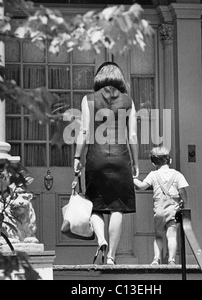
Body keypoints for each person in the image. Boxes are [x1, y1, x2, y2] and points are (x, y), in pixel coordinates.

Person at [73, 62, 139, 265]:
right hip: (120, 159)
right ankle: (111, 256)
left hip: (96, 159)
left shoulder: (88, 99)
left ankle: (101, 240)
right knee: (117, 208)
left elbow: (84, 131)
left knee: (95, 206)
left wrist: (77, 157)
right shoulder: (128, 101)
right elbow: (133, 135)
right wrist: (136, 162)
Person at [133, 146, 189, 265]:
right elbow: (182, 191)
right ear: (170, 160)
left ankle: (156, 259)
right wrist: (184, 201)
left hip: (159, 209)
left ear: (153, 163)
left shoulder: (153, 174)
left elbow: (142, 186)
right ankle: (171, 259)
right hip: (173, 209)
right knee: (172, 235)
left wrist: (132, 179)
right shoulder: (177, 174)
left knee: (158, 236)